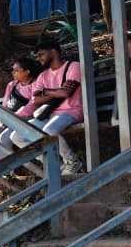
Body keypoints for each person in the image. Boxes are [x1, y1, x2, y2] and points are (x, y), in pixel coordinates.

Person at [12, 37, 84, 176]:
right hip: (49, 114)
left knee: (49, 129)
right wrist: (56, 92)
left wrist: (46, 91)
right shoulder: (43, 75)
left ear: (53, 52)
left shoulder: (73, 67)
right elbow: (36, 99)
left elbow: (66, 93)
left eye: (41, 54)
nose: (38, 59)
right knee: (17, 135)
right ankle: (53, 162)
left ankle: (72, 161)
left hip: (72, 110)